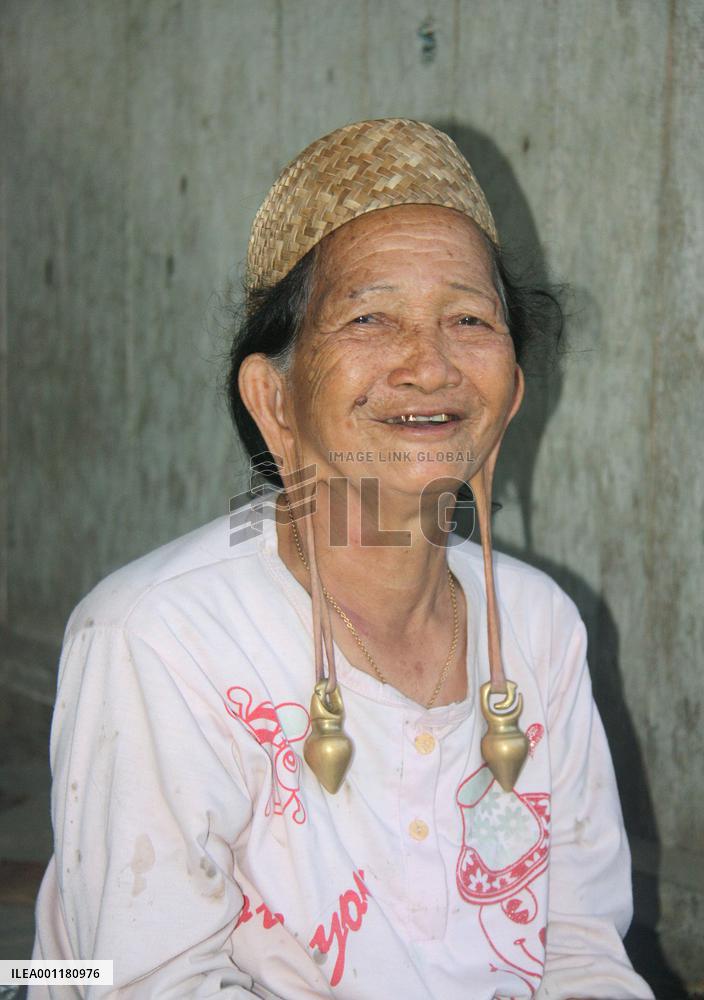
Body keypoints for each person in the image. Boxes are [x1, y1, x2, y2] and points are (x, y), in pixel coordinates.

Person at [31, 119, 653, 999]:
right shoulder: (158, 639)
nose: (429, 365)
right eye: (370, 317)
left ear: (509, 391)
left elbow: (584, 954)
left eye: (469, 319)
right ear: (274, 400)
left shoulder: (541, 627)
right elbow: (147, 983)